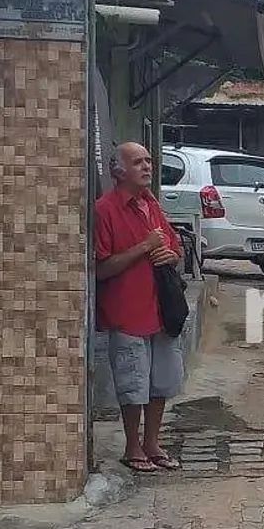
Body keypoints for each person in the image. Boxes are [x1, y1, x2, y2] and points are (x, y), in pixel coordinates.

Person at [95, 142, 185, 473]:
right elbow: (101, 269)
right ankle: (132, 447)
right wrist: (144, 248)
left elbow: (175, 248)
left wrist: (171, 255)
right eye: (138, 162)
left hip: (161, 311)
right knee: (133, 384)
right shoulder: (105, 210)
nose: (147, 166)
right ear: (119, 170)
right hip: (127, 312)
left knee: (160, 382)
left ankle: (152, 443)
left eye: (148, 160)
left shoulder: (152, 204)